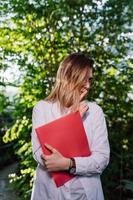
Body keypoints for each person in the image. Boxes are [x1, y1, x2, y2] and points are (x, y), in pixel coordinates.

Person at [30, 52, 110, 200]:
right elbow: (41, 155)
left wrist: (69, 163)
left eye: (89, 80)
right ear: (68, 77)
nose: (88, 86)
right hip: (49, 193)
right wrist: (73, 118)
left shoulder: (95, 111)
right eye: (83, 79)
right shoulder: (41, 108)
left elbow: (101, 159)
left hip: (86, 194)